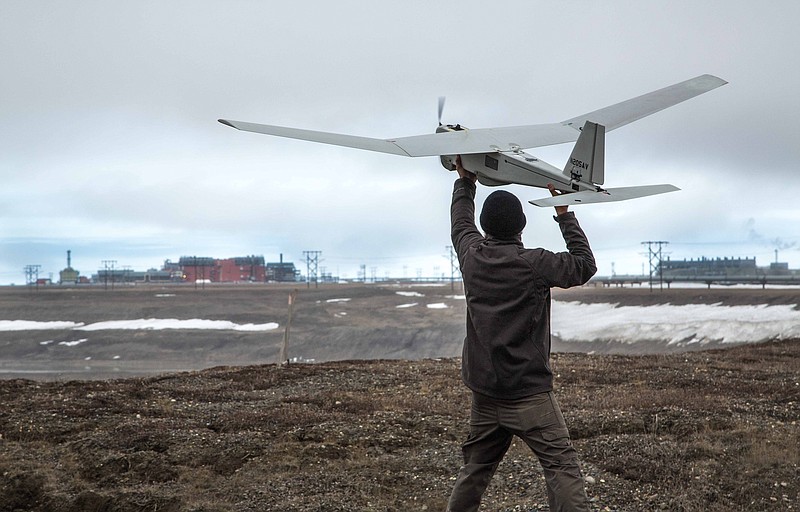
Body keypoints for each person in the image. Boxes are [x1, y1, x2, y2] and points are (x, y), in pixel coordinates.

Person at [447, 156, 597, 512]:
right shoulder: (536, 262)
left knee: (475, 470)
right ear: (522, 226)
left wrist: (465, 181)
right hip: (529, 396)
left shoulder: (471, 255)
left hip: (485, 394)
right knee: (562, 468)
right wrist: (565, 214)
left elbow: (460, 222)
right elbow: (584, 265)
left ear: (485, 227)